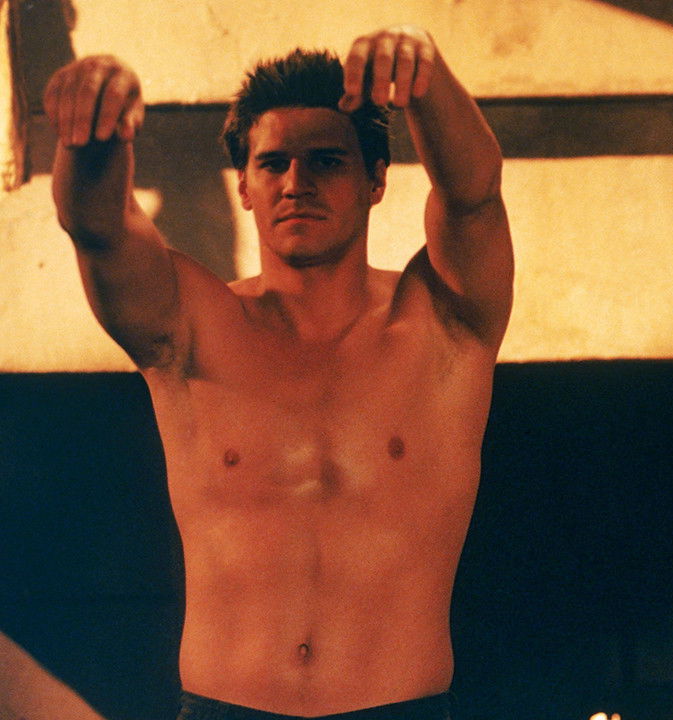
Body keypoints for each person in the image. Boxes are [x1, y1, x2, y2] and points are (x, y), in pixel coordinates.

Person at [43, 24, 511, 719]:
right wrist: (95, 134)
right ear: (245, 186)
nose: (296, 183)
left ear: (377, 179)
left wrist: (428, 75)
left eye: (326, 161)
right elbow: (97, 227)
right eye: (273, 164)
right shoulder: (190, 327)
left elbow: (474, 197)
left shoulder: (443, 321)